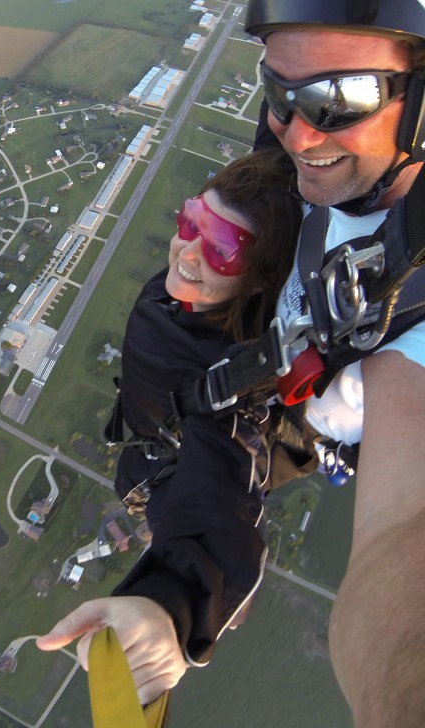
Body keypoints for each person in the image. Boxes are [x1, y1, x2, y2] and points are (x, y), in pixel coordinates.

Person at [40, 0, 425, 728]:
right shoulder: (334, 159)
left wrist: (170, 605)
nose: (297, 131)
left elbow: (417, 530)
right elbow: (295, 136)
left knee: (211, 440)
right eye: (279, 90)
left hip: (285, 420)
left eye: (337, 99)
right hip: (250, 368)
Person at [96, 149, 302, 686]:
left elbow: (213, 493)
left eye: (221, 249)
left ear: (259, 279)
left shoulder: (228, 380)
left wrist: (173, 606)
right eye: (190, 221)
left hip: (171, 476)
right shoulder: (191, 297)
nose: (188, 251)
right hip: (149, 450)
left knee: (180, 510)